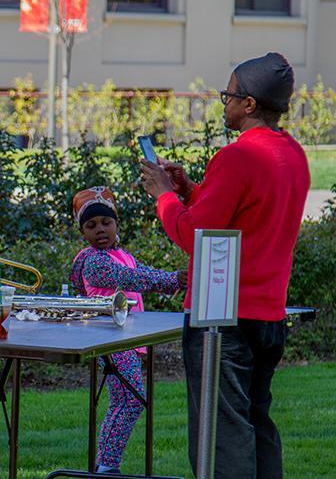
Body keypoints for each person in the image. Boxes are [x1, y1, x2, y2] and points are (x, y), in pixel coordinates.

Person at [140, 52, 310, 478]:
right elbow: (246, 214)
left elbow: (195, 236)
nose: (226, 103)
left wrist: (164, 194)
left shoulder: (237, 156)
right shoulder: (292, 153)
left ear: (249, 104)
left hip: (221, 320)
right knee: (257, 422)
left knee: (223, 434)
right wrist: (192, 189)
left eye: (229, 95)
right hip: (268, 313)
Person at [69, 186, 186, 475]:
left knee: (126, 399)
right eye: (91, 225)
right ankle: (106, 465)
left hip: (124, 337)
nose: (100, 230)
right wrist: (173, 279)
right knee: (129, 400)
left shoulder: (121, 254)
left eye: (106, 223)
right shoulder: (94, 261)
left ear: (117, 224)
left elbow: (141, 271)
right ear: (82, 232)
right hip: (109, 338)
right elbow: (133, 278)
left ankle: (106, 465)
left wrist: (173, 279)